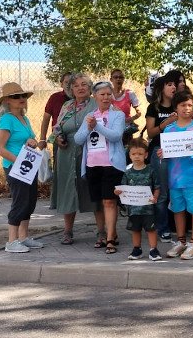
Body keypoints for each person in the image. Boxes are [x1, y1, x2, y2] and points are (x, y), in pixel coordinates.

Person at [46, 73, 101, 246]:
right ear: (70, 89)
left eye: (84, 84)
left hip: (91, 149)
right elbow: (56, 126)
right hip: (66, 152)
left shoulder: (96, 104)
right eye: (75, 85)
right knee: (67, 189)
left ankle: (102, 231)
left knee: (93, 190)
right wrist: (59, 137)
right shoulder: (67, 106)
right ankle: (67, 231)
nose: (80, 88)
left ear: (90, 87)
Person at [73, 81, 128, 255]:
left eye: (108, 94)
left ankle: (111, 239)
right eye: (101, 94)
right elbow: (78, 139)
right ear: (94, 96)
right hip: (92, 164)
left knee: (109, 201)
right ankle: (104, 233)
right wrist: (88, 128)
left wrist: (97, 126)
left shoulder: (117, 115)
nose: (105, 97)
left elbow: (116, 136)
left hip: (111, 164)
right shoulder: (89, 115)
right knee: (99, 202)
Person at [159, 89, 193, 260]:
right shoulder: (169, 130)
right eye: (183, 105)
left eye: (190, 105)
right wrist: (162, 153)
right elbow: (165, 151)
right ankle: (181, 242)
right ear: (176, 107)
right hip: (174, 178)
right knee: (178, 209)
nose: (187, 108)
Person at [0, 82, 45, 253]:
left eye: (23, 96)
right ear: (8, 100)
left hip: (28, 165)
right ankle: (11, 241)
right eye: (16, 97)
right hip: (15, 167)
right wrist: (18, 160)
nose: (21, 99)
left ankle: (23, 237)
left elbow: (32, 140)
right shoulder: (6, 120)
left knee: (30, 201)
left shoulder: (24, 118)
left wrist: (33, 142)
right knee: (20, 201)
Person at [144, 70, 184, 239]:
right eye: (169, 84)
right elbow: (151, 133)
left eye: (174, 84)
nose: (173, 87)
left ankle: (180, 227)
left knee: (178, 190)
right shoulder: (154, 107)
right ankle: (162, 227)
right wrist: (165, 123)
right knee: (162, 192)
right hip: (159, 152)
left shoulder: (179, 105)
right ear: (161, 88)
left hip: (179, 152)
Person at [115, 139, 162, 261]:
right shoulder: (127, 173)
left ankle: (153, 250)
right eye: (134, 154)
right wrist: (117, 192)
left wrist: (155, 197)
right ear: (129, 155)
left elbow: (157, 187)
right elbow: (122, 188)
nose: (137, 157)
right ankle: (137, 249)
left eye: (140, 154)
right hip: (133, 209)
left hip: (148, 209)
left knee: (151, 229)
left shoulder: (151, 170)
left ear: (146, 155)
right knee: (135, 229)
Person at [109, 69, 141, 145]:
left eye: (121, 77)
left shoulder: (130, 93)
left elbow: (139, 112)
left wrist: (130, 119)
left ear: (123, 79)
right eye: (115, 77)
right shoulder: (107, 94)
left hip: (126, 130)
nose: (118, 79)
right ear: (111, 79)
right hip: (111, 129)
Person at [41, 72, 72, 145]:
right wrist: (42, 139)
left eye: (71, 82)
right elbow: (46, 118)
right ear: (61, 84)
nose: (68, 85)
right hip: (58, 137)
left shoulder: (80, 98)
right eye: (66, 82)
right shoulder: (55, 98)